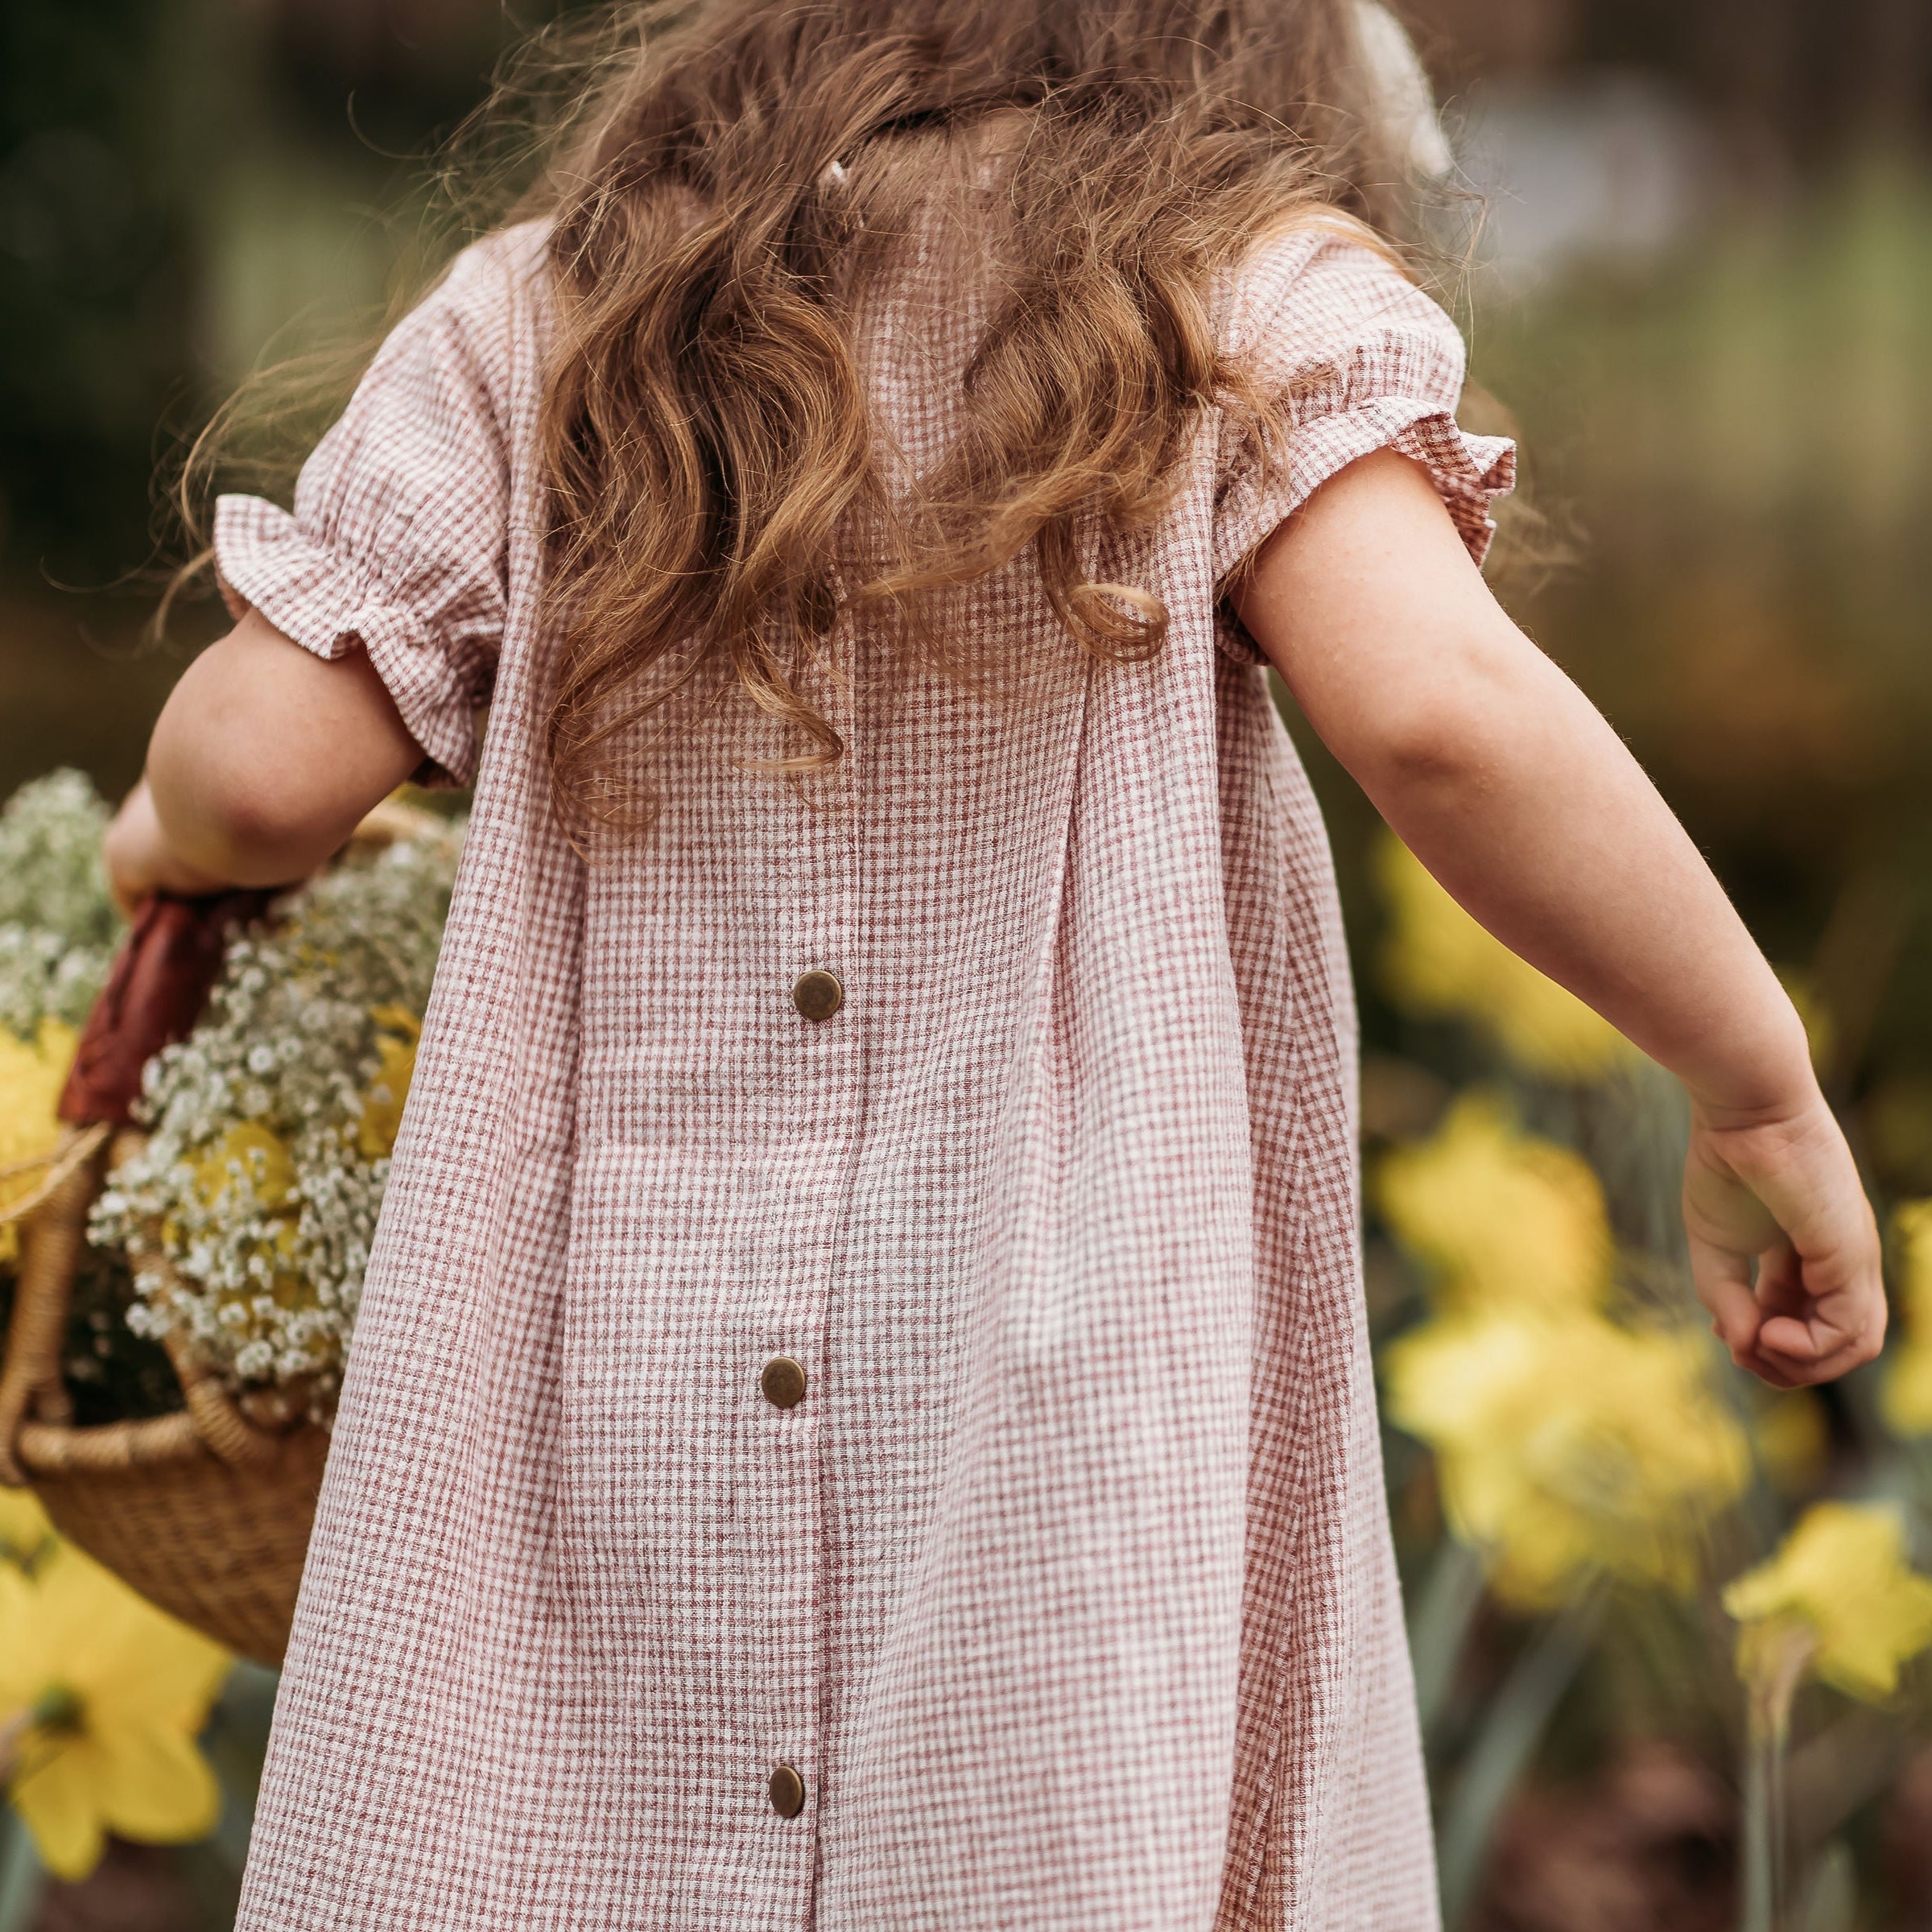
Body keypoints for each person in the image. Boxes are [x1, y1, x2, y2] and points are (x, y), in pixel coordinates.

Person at [102, 2, 1884, 1926]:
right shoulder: (1228, 292)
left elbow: (268, 768)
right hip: (1060, 1423)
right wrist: (1754, 1078)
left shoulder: (548, 317)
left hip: (601, 1433)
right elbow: (1445, 711)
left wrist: (159, 841)